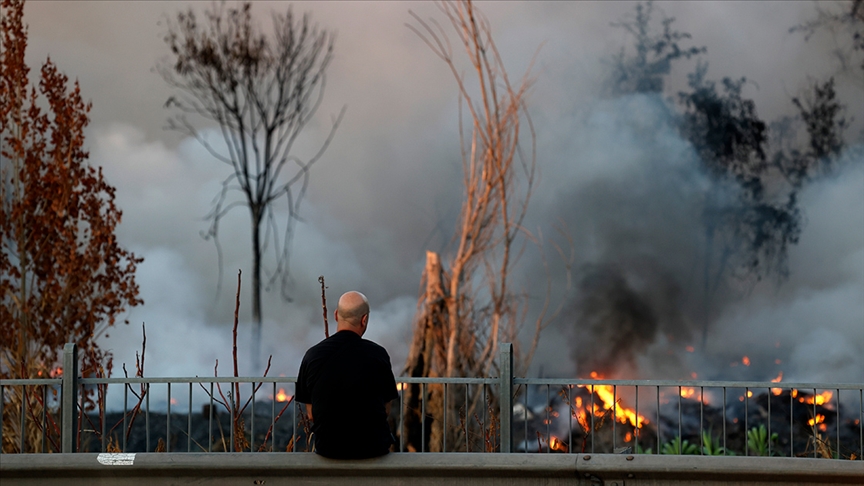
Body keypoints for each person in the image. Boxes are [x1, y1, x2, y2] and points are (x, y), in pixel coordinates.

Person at [296, 291, 399, 459]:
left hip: (329, 449)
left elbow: (311, 413)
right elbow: (386, 409)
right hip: (373, 449)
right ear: (364, 319)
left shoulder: (312, 355)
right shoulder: (378, 355)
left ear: (336, 315)